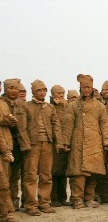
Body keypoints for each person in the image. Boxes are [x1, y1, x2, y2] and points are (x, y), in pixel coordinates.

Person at [62, 74, 108, 208]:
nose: (87, 90)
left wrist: (107, 141)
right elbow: (68, 125)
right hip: (78, 142)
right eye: (84, 87)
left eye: (89, 87)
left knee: (93, 172)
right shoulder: (73, 106)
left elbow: (105, 124)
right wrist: (65, 142)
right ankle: (77, 199)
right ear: (80, 88)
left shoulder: (100, 106)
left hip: (95, 142)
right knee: (79, 173)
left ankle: (89, 198)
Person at [23, 80, 63, 215]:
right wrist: (26, 144)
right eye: (39, 90)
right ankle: (31, 205)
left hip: (47, 144)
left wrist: (59, 143)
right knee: (31, 175)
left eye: (44, 90)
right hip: (32, 145)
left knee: (46, 175)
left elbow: (56, 126)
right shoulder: (26, 107)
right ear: (33, 92)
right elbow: (22, 128)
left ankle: (44, 203)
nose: (42, 92)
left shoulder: (50, 108)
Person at [0, 79, 30, 211]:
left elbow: (29, 123)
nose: (14, 91)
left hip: (20, 144)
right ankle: (10, 203)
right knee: (8, 176)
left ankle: (23, 202)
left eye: (16, 88)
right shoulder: (2, 104)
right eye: (11, 88)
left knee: (24, 174)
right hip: (6, 144)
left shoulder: (23, 104)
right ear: (5, 89)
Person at [49, 85, 70, 207]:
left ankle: (62, 198)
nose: (61, 95)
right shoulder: (50, 107)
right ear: (52, 95)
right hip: (53, 145)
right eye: (58, 93)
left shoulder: (67, 107)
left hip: (65, 144)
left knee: (63, 172)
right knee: (53, 172)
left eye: (62, 92)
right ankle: (54, 198)